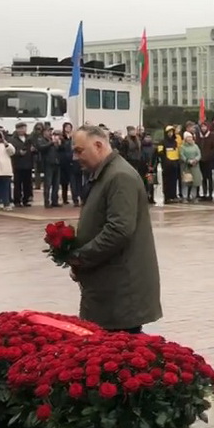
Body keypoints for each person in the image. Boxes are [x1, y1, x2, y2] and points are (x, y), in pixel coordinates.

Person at [69, 125, 162, 333]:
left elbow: (118, 230)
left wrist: (80, 257)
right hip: (108, 285)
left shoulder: (119, 176)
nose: (76, 157)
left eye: (79, 150)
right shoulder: (105, 173)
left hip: (120, 289)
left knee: (119, 356)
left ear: (99, 145)